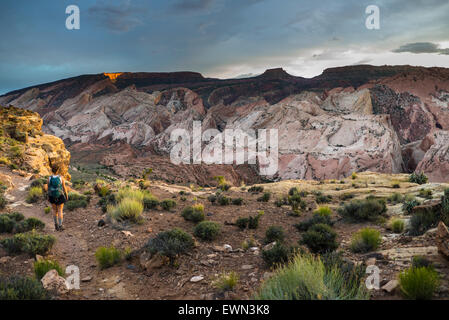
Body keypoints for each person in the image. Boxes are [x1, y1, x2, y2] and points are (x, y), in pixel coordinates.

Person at [44, 166, 69, 231]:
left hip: (52, 196)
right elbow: (64, 187)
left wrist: (48, 196)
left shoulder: (49, 178)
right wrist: (66, 195)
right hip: (60, 195)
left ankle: (56, 225)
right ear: (58, 171)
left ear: (52, 171)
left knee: (54, 210)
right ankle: (60, 226)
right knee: (60, 210)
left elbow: (48, 188)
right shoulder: (61, 178)